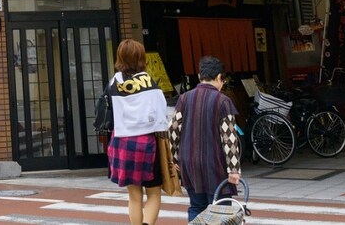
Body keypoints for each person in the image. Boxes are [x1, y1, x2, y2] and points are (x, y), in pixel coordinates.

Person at [103, 40, 172, 225]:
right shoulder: (150, 83)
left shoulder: (113, 83)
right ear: (142, 58)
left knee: (134, 196)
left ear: (120, 58)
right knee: (153, 193)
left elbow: (105, 113)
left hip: (122, 143)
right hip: (147, 145)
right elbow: (161, 118)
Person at [166, 56, 242, 222]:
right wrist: (234, 169)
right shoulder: (223, 101)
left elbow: (173, 130)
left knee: (196, 207)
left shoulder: (184, 98)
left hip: (189, 163)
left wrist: (174, 157)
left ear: (200, 77)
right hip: (215, 166)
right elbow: (229, 138)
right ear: (219, 78)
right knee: (220, 211)